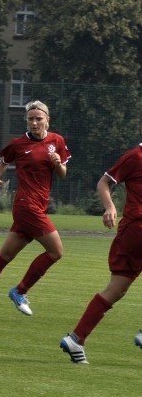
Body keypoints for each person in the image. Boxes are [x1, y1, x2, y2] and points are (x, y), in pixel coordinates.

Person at [0, 100, 70, 320]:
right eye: (30, 119)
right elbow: (3, 160)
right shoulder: (19, 144)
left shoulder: (56, 141)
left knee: (6, 255)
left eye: (38, 118)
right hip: (26, 205)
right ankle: (19, 291)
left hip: (38, 206)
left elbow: (62, 174)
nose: (34, 122)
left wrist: (58, 163)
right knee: (56, 251)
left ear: (47, 119)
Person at [60, 144, 142, 363]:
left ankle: (76, 339)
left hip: (131, 233)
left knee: (116, 290)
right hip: (137, 228)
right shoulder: (136, 156)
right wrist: (110, 207)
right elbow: (104, 182)